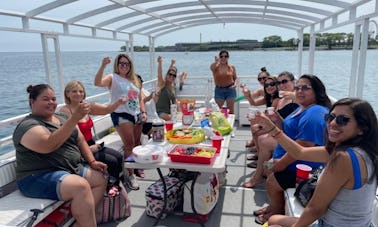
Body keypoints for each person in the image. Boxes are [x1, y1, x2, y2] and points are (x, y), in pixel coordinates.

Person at [255, 98, 378, 227]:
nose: (333, 123)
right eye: (331, 117)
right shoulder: (366, 152)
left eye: (343, 120)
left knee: (273, 225)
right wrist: (271, 128)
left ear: (362, 128)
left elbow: (315, 209)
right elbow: (300, 152)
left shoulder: (344, 158)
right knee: (274, 219)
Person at [13, 84, 107, 227]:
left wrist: (92, 161)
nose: (51, 102)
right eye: (46, 99)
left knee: (100, 179)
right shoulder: (28, 125)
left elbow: (80, 139)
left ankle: (81, 222)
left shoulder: (61, 117)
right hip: (37, 176)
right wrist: (74, 118)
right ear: (32, 102)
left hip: (69, 168)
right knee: (80, 186)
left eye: (53, 99)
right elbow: (48, 145)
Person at [253, 74, 332, 224]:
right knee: (267, 166)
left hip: (305, 167)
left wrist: (280, 164)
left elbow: (304, 146)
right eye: (297, 88)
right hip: (288, 158)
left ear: (317, 91)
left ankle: (277, 210)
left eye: (305, 88)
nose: (299, 91)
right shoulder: (303, 108)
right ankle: (273, 205)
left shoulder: (315, 113)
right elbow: (291, 131)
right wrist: (278, 121)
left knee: (271, 181)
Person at [94, 54, 147, 190]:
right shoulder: (113, 78)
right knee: (129, 145)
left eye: (127, 64)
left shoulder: (133, 79)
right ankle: (130, 176)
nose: (124, 66)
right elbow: (97, 83)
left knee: (136, 144)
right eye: (121, 63)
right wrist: (102, 65)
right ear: (117, 65)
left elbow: (139, 97)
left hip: (136, 115)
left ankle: (134, 168)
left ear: (130, 66)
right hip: (121, 114)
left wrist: (143, 112)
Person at [59, 80, 125, 184]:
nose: (78, 94)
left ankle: (116, 185)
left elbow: (106, 110)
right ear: (67, 94)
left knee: (119, 156)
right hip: (79, 149)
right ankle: (112, 187)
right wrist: (89, 149)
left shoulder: (86, 106)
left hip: (92, 144)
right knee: (112, 161)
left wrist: (118, 102)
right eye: (74, 91)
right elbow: (75, 136)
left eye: (81, 91)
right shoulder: (65, 111)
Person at [243, 72, 298, 188]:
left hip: (291, 136)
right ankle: (262, 165)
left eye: (285, 81)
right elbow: (278, 120)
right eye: (279, 82)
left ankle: (258, 175)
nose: (281, 85)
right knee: (256, 129)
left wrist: (293, 95)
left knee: (263, 140)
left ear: (293, 82)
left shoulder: (297, 99)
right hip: (282, 129)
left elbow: (305, 100)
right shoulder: (280, 100)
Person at [155, 56, 187, 121]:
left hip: (169, 112)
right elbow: (159, 75)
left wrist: (180, 113)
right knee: (172, 117)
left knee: (180, 117)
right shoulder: (162, 84)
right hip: (159, 113)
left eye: (174, 75)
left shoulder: (173, 88)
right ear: (167, 75)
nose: (172, 76)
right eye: (170, 74)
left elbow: (174, 102)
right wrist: (160, 63)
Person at [210, 50, 238, 114]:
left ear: (228, 57)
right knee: (218, 111)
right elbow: (211, 67)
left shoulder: (231, 67)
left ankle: (230, 124)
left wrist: (235, 84)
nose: (223, 58)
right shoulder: (216, 67)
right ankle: (220, 124)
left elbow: (235, 78)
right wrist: (216, 62)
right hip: (219, 90)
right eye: (221, 56)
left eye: (225, 56)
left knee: (230, 111)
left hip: (230, 90)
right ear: (219, 57)